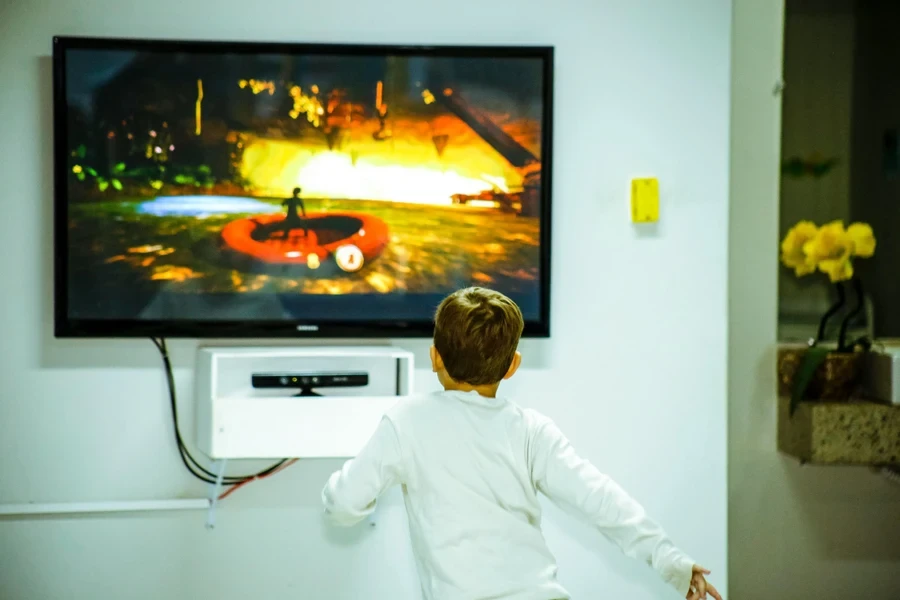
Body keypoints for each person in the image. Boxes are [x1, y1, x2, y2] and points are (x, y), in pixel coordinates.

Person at [321, 287, 721, 600]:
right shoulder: (530, 429)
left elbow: (342, 505)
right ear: (513, 366)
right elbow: (601, 500)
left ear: (434, 357)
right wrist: (672, 561)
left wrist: (345, 493)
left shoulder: (406, 423)